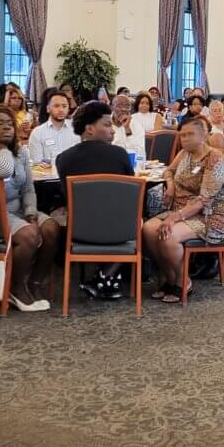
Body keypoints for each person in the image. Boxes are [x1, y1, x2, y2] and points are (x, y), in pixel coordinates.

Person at [0, 106, 59, 312]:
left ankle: (34, 282)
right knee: (29, 235)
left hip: (18, 210)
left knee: (51, 228)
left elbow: (28, 188)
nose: (7, 127)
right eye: (0, 124)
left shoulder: (22, 154)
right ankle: (15, 287)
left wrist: (31, 212)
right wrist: (2, 149)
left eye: (10, 123)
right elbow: (4, 170)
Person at [141, 117, 224, 304]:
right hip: (183, 208)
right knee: (149, 229)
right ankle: (170, 276)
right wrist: (170, 186)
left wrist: (174, 218)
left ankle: (182, 280)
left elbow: (204, 200)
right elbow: (168, 171)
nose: (184, 139)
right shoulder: (185, 153)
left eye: (189, 134)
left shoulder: (214, 159)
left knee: (168, 235)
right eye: (182, 135)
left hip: (213, 214)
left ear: (203, 135)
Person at [54, 101, 136, 300]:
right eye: (107, 125)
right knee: (142, 216)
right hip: (120, 231)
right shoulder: (120, 154)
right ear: (89, 129)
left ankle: (105, 278)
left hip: (80, 229)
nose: (113, 131)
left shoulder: (63, 158)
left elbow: (67, 196)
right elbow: (131, 194)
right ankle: (109, 277)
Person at [28, 91, 79, 167]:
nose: (61, 109)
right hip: (48, 177)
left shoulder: (77, 128)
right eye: (56, 106)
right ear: (48, 109)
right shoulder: (37, 133)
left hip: (74, 175)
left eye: (64, 106)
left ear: (68, 109)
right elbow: (37, 164)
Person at [111, 94, 146, 161]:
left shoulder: (137, 125)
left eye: (127, 106)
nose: (124, 109)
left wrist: (127, 129)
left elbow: (140, 154)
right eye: (119, 106)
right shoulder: (104, 124)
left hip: (129, 165)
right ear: (112, 107)